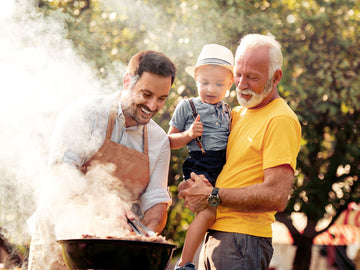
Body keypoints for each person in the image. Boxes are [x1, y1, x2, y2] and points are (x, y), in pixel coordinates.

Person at [27, 50, 176, 270]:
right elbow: (61, 172)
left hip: (115, 250)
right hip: (59, 236)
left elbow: (156, 203)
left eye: (162, 98)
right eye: (146, 94)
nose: (153, 106)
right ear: (128, 81)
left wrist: (145, 237)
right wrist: (106, 202)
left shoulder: (159, 141)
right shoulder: (85, 113)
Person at [178, 33, 302, 270]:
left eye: (252, 77)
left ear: (276, 77)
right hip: (216, 234)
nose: (242, 85)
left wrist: (212, 195)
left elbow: (277, 195)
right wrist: (193, 186)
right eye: (238, 74)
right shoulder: (235, 113)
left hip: (243, 241)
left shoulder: (280, 119)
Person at [168, 44, 234, 270]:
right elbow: (168, 142)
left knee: (217, 210)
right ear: (196, 78)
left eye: (219, 84)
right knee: (208, 212)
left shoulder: (228, 111)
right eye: (204, 82)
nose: (211, 89)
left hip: (222, 169)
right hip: (200, 164)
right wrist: (188, 135)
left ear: (230, 84)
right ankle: (184, 263)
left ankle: (195, 259)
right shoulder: (187, 106)